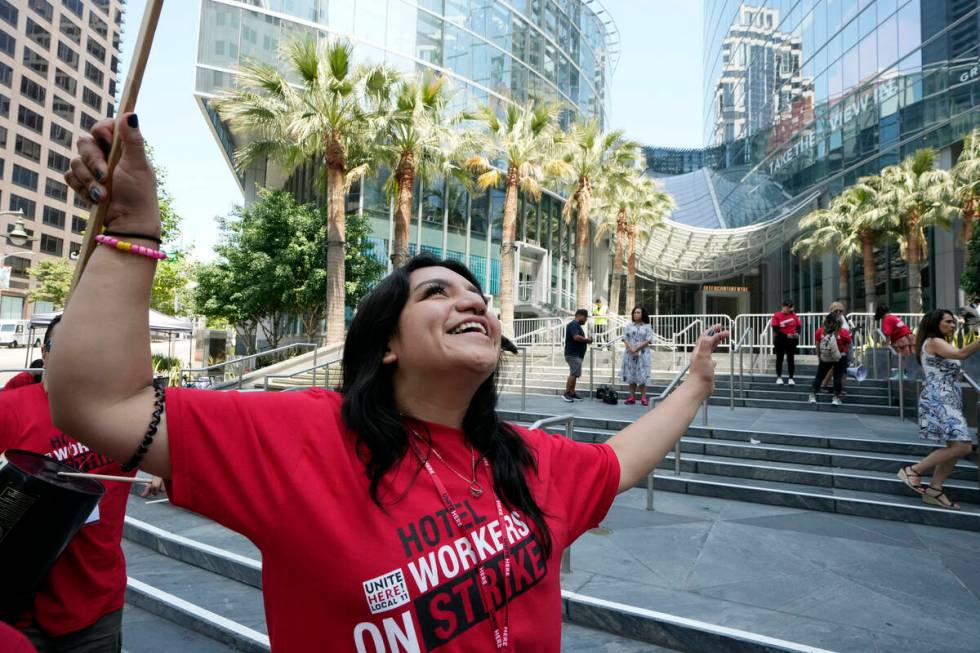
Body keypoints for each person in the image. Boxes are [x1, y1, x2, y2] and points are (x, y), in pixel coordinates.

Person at [49, 113, 729, 652]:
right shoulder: (308, 437)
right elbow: (101, 403)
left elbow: (620, 462)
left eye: (479, 297)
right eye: (438, 291)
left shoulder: (528, 459)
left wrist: (695, 382)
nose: (473, 303)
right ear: (389, 345)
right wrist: (133, 229)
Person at [0, 315, 163, 652]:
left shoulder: (123, 417)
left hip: (96, 607)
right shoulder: (11, 407)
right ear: (45, 354)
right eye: (67, 350)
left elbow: (183, 442)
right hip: (18, 612)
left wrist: (165, 468)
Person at [896, 310, 980, 510]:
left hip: (947, 397)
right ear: (936, 323)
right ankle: (913, 471)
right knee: (963, 446)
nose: (953, 325)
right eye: (948, 322)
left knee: (955, 448)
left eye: (954, 322)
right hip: (940, 398)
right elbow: (962, 354)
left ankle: (935, 488)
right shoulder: (933, 341)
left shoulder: (939, 342)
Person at [808, 312, 851, 406]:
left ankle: (812, 396)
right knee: (837, 377)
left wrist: (819, 357)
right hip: (840, 357)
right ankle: (836, 398)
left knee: (819, 376)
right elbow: (847, 345)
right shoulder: (843, 332)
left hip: (825, 357)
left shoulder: (820, 331)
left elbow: (818, 346)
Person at [621, 306, 653, 406]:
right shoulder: (629, 326)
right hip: (630, 354)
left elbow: (648, 340)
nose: (636, 314)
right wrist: (631, 349)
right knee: (631, 375)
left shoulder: (647, 326)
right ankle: (632, 397)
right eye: (634, 312)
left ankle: (644, 397)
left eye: (638, 312)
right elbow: (625, 338)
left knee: (642, 376)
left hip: (642, 354)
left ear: (642, 314)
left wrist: (637, 349)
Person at [563, 308, 592, 402]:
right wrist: (587, 340)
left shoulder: (576, 325)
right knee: (574, 373)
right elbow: (576, 337)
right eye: (585, 318)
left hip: (576, 354)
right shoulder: (574, 324)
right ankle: (567, 393)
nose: (585, 320)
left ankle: (572, 392)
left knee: (575, 374)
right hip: (573, 354)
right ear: (580, 316)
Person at [770, 300, 801, 384]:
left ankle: (791, 378)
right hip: (780, 340)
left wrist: (797, 333)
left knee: (791, 359)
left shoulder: (794, 315)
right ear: (783, 307)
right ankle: (779, 377)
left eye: (790, 307)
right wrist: (786, 335)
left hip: (792, 340)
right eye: (787, 307)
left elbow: (798, 326)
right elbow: (775, 329)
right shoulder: (777, 315)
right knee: (779, 358)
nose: (789, 309)